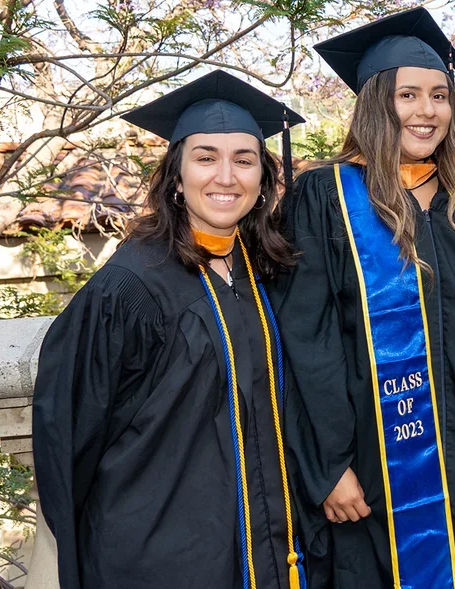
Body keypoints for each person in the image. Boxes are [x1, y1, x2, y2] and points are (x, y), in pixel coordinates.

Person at [270, 8, 455, 588]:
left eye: (439, 95)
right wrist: (329, 465)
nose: (427, 110)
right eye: (408, 94)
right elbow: (306, 337)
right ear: (377, 103)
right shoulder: (327, 195)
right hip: (373, 467)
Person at [33, 71, 306, 589]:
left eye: (244, 160)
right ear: (176, 177)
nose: (226, 176)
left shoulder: (257, 269)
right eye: (205, 158)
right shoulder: (128, 287)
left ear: (263, 180)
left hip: (255, 543)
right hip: (158, 556)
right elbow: (69, 438)